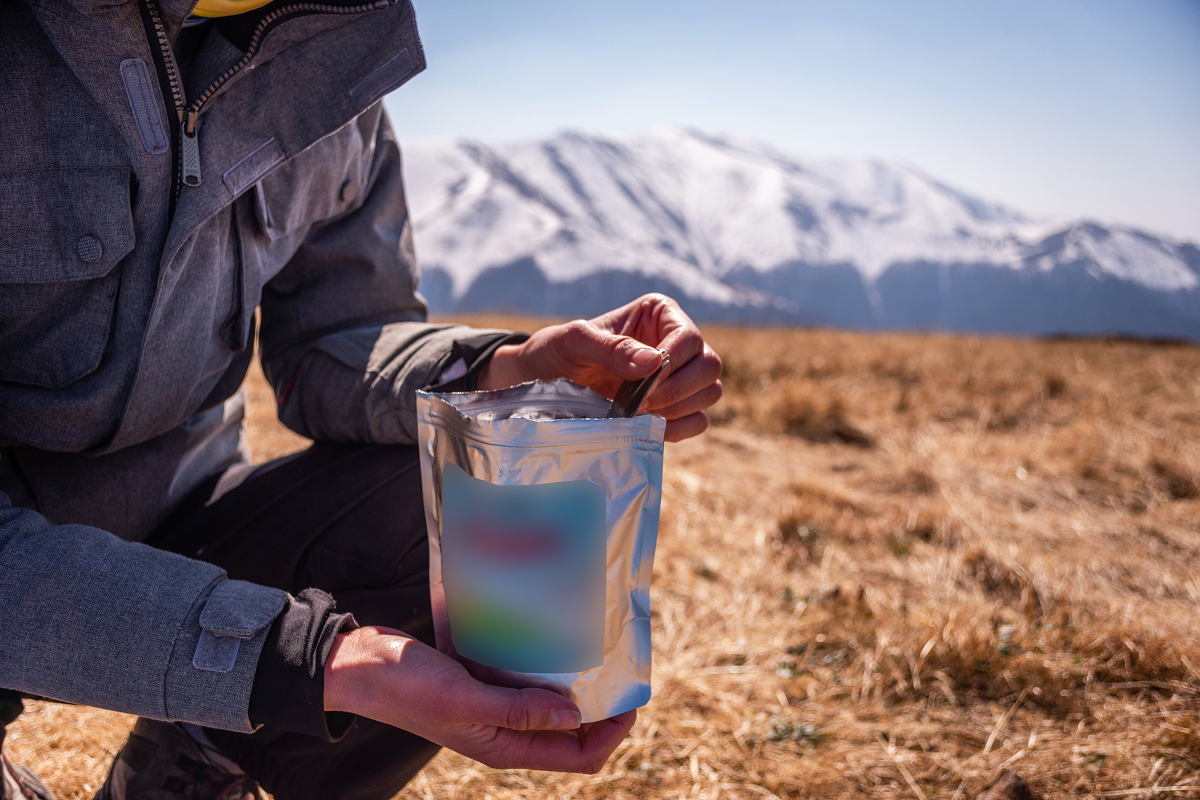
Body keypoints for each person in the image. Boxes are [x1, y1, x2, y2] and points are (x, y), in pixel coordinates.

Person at [0, 0, 723, 798]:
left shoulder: (335, 50)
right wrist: (309, 660)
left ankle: (196, 759)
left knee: (460, 477)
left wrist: (505, 369)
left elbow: (334, 344)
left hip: (181, 507)